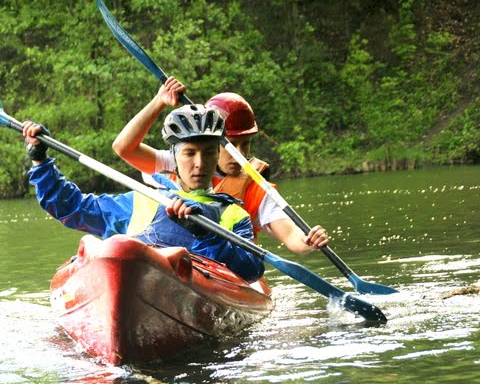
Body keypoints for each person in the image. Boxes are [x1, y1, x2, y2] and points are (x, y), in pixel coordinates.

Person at [23, 104, 265, 283]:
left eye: (209, 153)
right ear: (174, 157)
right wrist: (40, 162)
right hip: (133, 275)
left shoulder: (233, 214)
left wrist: (207, 234)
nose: (200, 163)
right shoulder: (143, 198)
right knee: (115, 246)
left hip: (194, 285)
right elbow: (71, 207)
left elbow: (251, 270)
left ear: (218, 155)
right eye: (190, 153)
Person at [111, 77, 329, 254]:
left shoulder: (256, 188)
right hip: (170, 253)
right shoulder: (179, 163)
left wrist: (308, 241)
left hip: (226, 267)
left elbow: (291, 236)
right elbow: (124, 148)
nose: (239, 154)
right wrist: (159, 101)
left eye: (246, 144)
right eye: (232, 144)